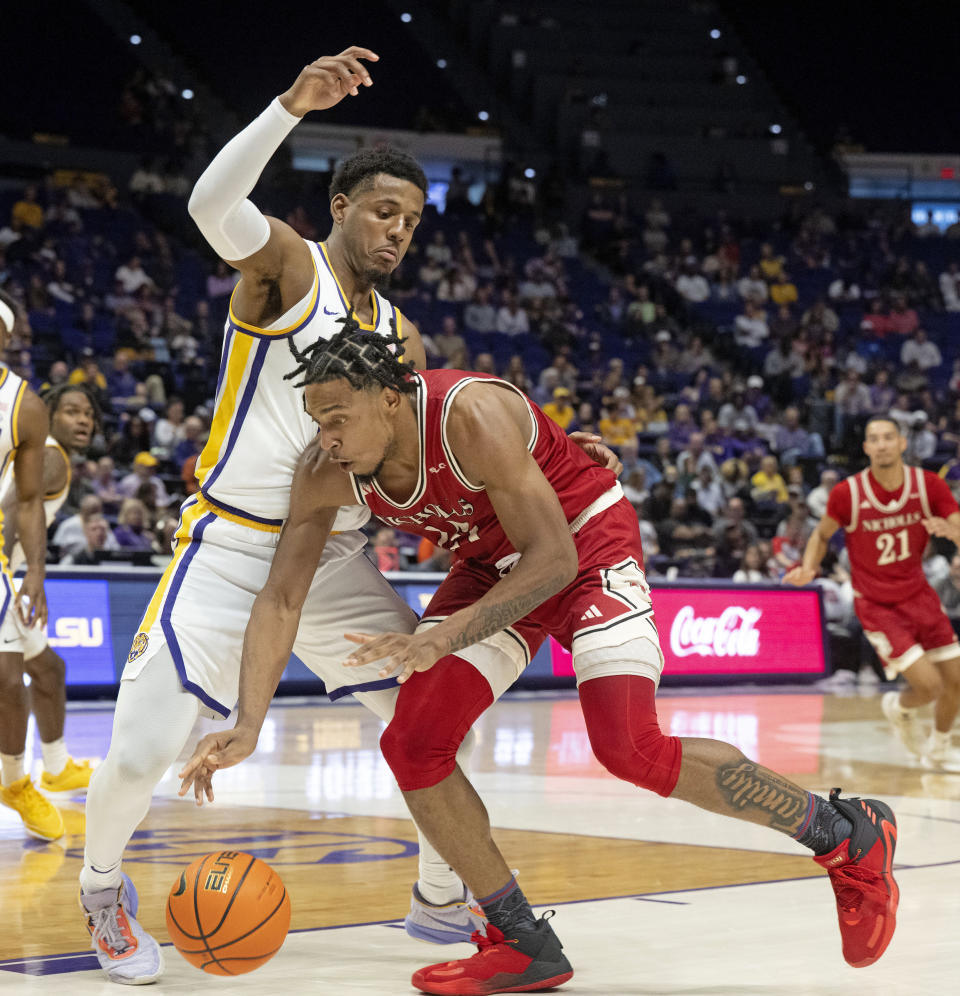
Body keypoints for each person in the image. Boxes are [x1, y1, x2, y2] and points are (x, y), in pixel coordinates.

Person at [77, 50, 616, 986]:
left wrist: (564, 455)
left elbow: (442, 439)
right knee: (140, 753)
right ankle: (101, 891)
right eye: (382, 211)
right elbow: (211, 209)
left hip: (330, 556)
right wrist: (290, 103)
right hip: (229, 542)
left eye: (410, 219)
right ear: (339, 208)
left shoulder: (398, 335)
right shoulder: (287, 270)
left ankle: (440, 896)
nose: (398, 231)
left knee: (434, 714)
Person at [181, 328, 901, 994]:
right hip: (494, 566)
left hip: (584, 546)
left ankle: (844, 832)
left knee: (628, 747)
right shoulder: (327, 470)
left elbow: (553, 557)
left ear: (390, 399)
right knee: (412, 742)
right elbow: (280, 599)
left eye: (337, 418)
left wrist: (447, 632)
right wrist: (247, 722)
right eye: (317, 420)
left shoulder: (470, 414)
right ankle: (520, 938)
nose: (326, 438)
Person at [786, 415, 960, 771]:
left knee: (956, 681)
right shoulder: (848, 493)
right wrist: (809, 567)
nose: (881, 444)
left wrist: (952, 531)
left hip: (919, 594)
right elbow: (821, 535)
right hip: (878, 604)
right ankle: (898, 707)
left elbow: (956, 523)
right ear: (866, 447)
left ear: (901, 443)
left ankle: (940, 749)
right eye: (874, 438)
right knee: (929, 686)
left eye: (888, 437)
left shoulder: (927, 486)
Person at [0, 384, 99, 818]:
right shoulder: (52, 455)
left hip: (9, 570)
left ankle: (56, 768)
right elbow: (8, 508)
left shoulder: (49, 456)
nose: (83, 420)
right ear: (50, 415)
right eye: (72, 411)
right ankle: (15, 782)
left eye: (88, 414)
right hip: (2, 567)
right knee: (10, 679)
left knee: (49, 670)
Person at [0, 289, 55, 840]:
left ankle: (14, 779)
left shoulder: (24, 405)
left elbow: (30, 499)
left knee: (7, 675)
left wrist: (35, 571)